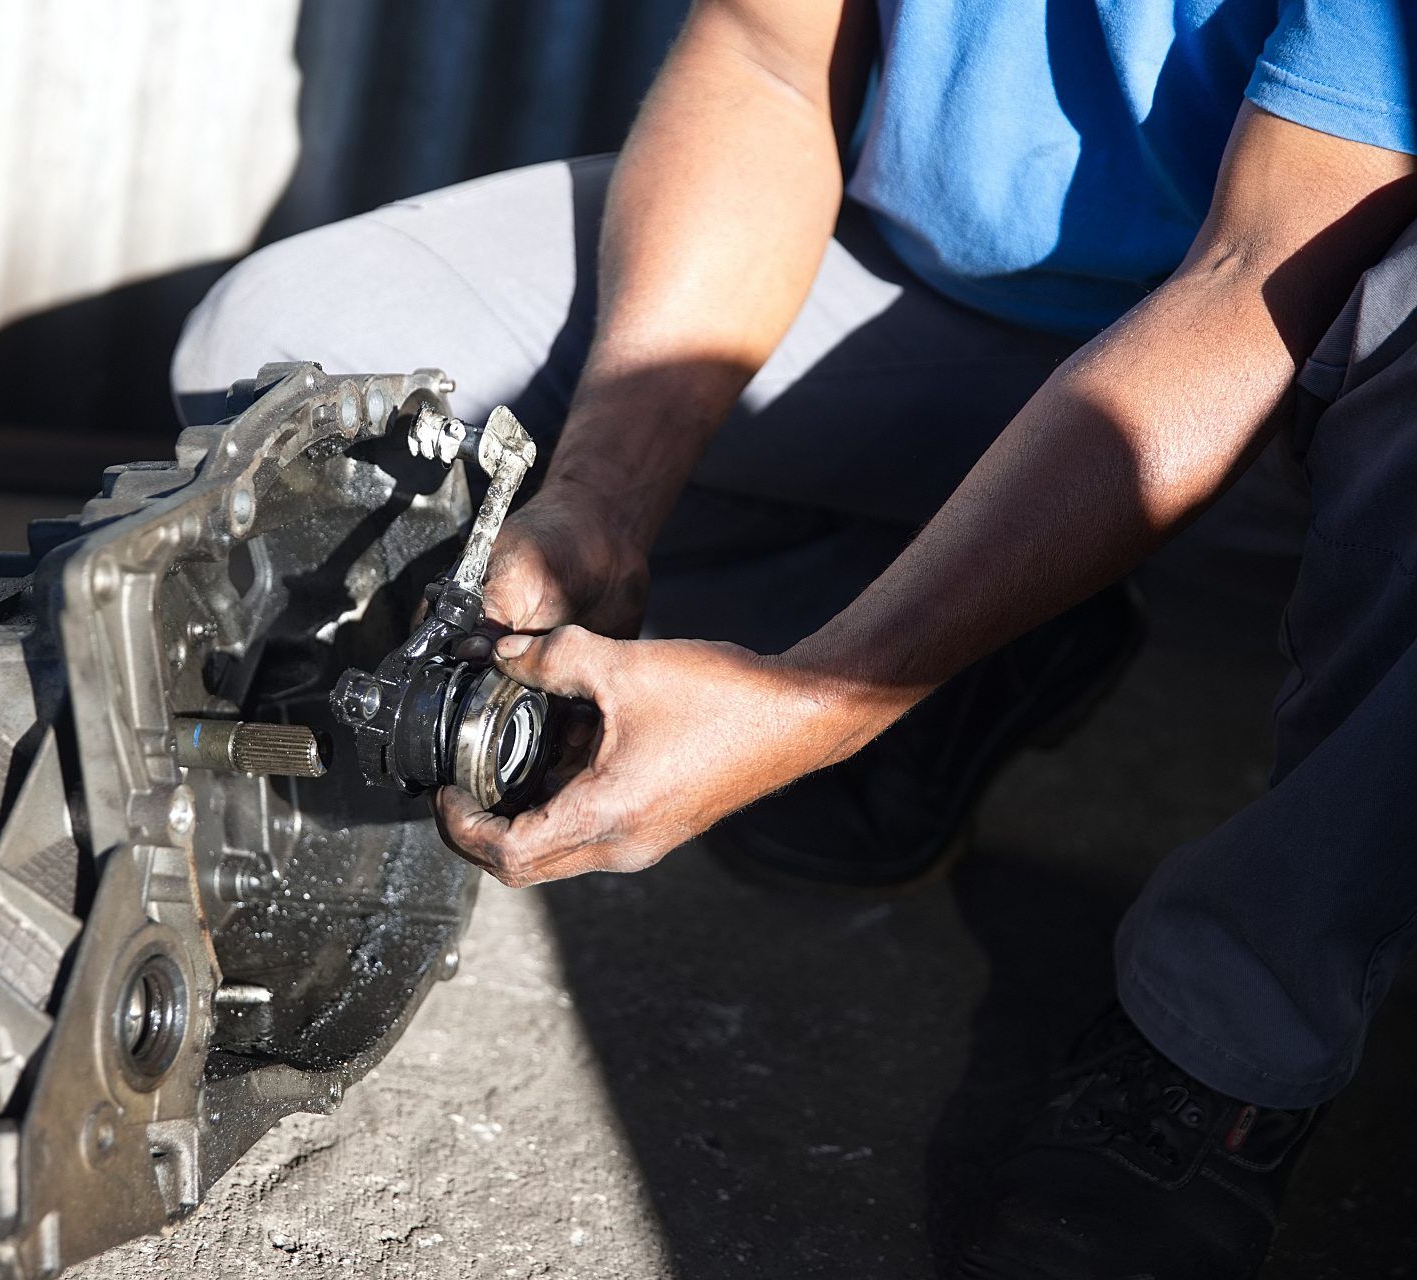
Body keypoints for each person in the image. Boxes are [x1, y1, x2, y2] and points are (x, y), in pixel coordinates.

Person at [173, 0, 1417, 1273]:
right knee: (286, 354)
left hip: (1292, 371)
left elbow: (1252, 276)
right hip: (938, 307)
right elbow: (763, 61)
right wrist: (606, 492)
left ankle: (1227, 1042)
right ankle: (970, 639)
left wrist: (826, 698)